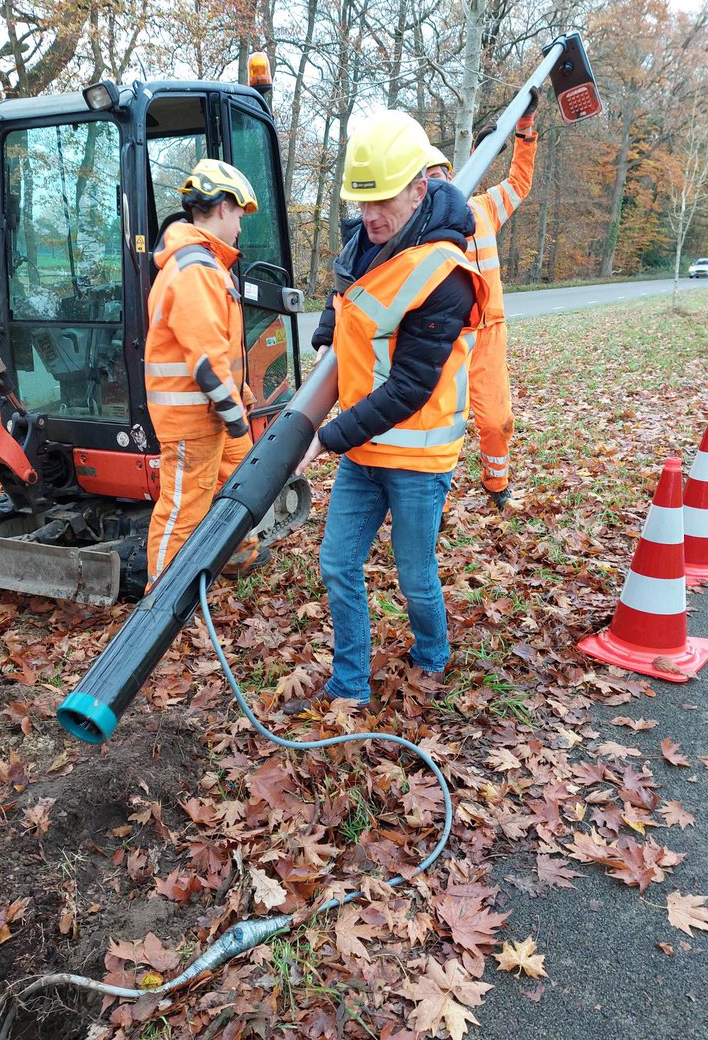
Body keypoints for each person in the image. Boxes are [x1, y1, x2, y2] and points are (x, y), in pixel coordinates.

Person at [286, 110, 488, 712]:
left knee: (415, 577)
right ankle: (350, 683)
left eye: (384, 203)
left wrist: (324, 439)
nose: (371, 216)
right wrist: (327, 335)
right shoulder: (364, 236)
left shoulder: (446, 277)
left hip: (417, 456)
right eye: (362, 202)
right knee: (337, 566)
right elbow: (346, 292)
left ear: (419, 190)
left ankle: (432, 656)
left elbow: (408, 388)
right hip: (363, 447)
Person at [145, 158, 266, 588]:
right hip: (193, 418)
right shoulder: (196, 269)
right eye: (238, 216)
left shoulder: (207, 265)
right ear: (220, 208)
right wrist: (235, 415)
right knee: (182, 511)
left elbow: (221, 347)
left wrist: (241, 396)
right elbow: (205, 358)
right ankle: (159, 606)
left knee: (240, 483)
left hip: (213, 412)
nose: (239, 227)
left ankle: (234, 554)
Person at [425, 90, 538, 508]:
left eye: (442, 175)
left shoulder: (484, 207)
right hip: (446, 339)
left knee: (495, 420)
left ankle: (497, 486)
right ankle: (430, 491)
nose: (436, 183)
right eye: (427, 178)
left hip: (489, 335)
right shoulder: (421, 228)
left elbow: (520, 184)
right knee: (441, 424)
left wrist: (523, 130)